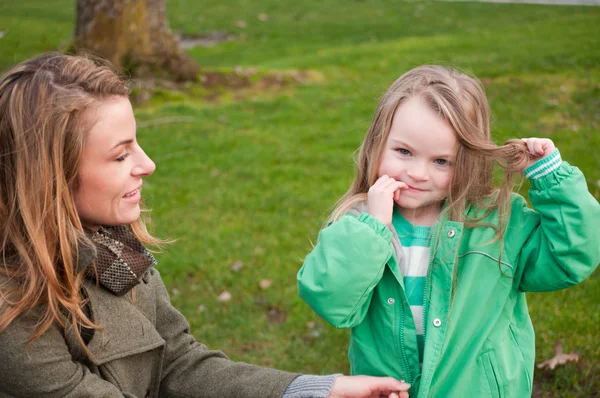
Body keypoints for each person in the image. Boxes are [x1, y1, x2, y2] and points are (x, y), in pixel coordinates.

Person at [0, 53, 412, 398]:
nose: (148, 165)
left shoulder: (116, 252)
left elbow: (178, 364)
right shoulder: (15, 310)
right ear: (51, 177)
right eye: (121, 155)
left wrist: (320, 389)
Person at [297, 65, 600, 397]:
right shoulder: (358, 222)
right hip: (389, 390)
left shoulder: (497, 223)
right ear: (377, 143)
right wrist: (374, 227)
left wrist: (553, 179)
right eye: (403, 152)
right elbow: (332, 302)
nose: (417, 173)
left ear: (468, 161)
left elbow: (572, 257)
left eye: (441, 161)